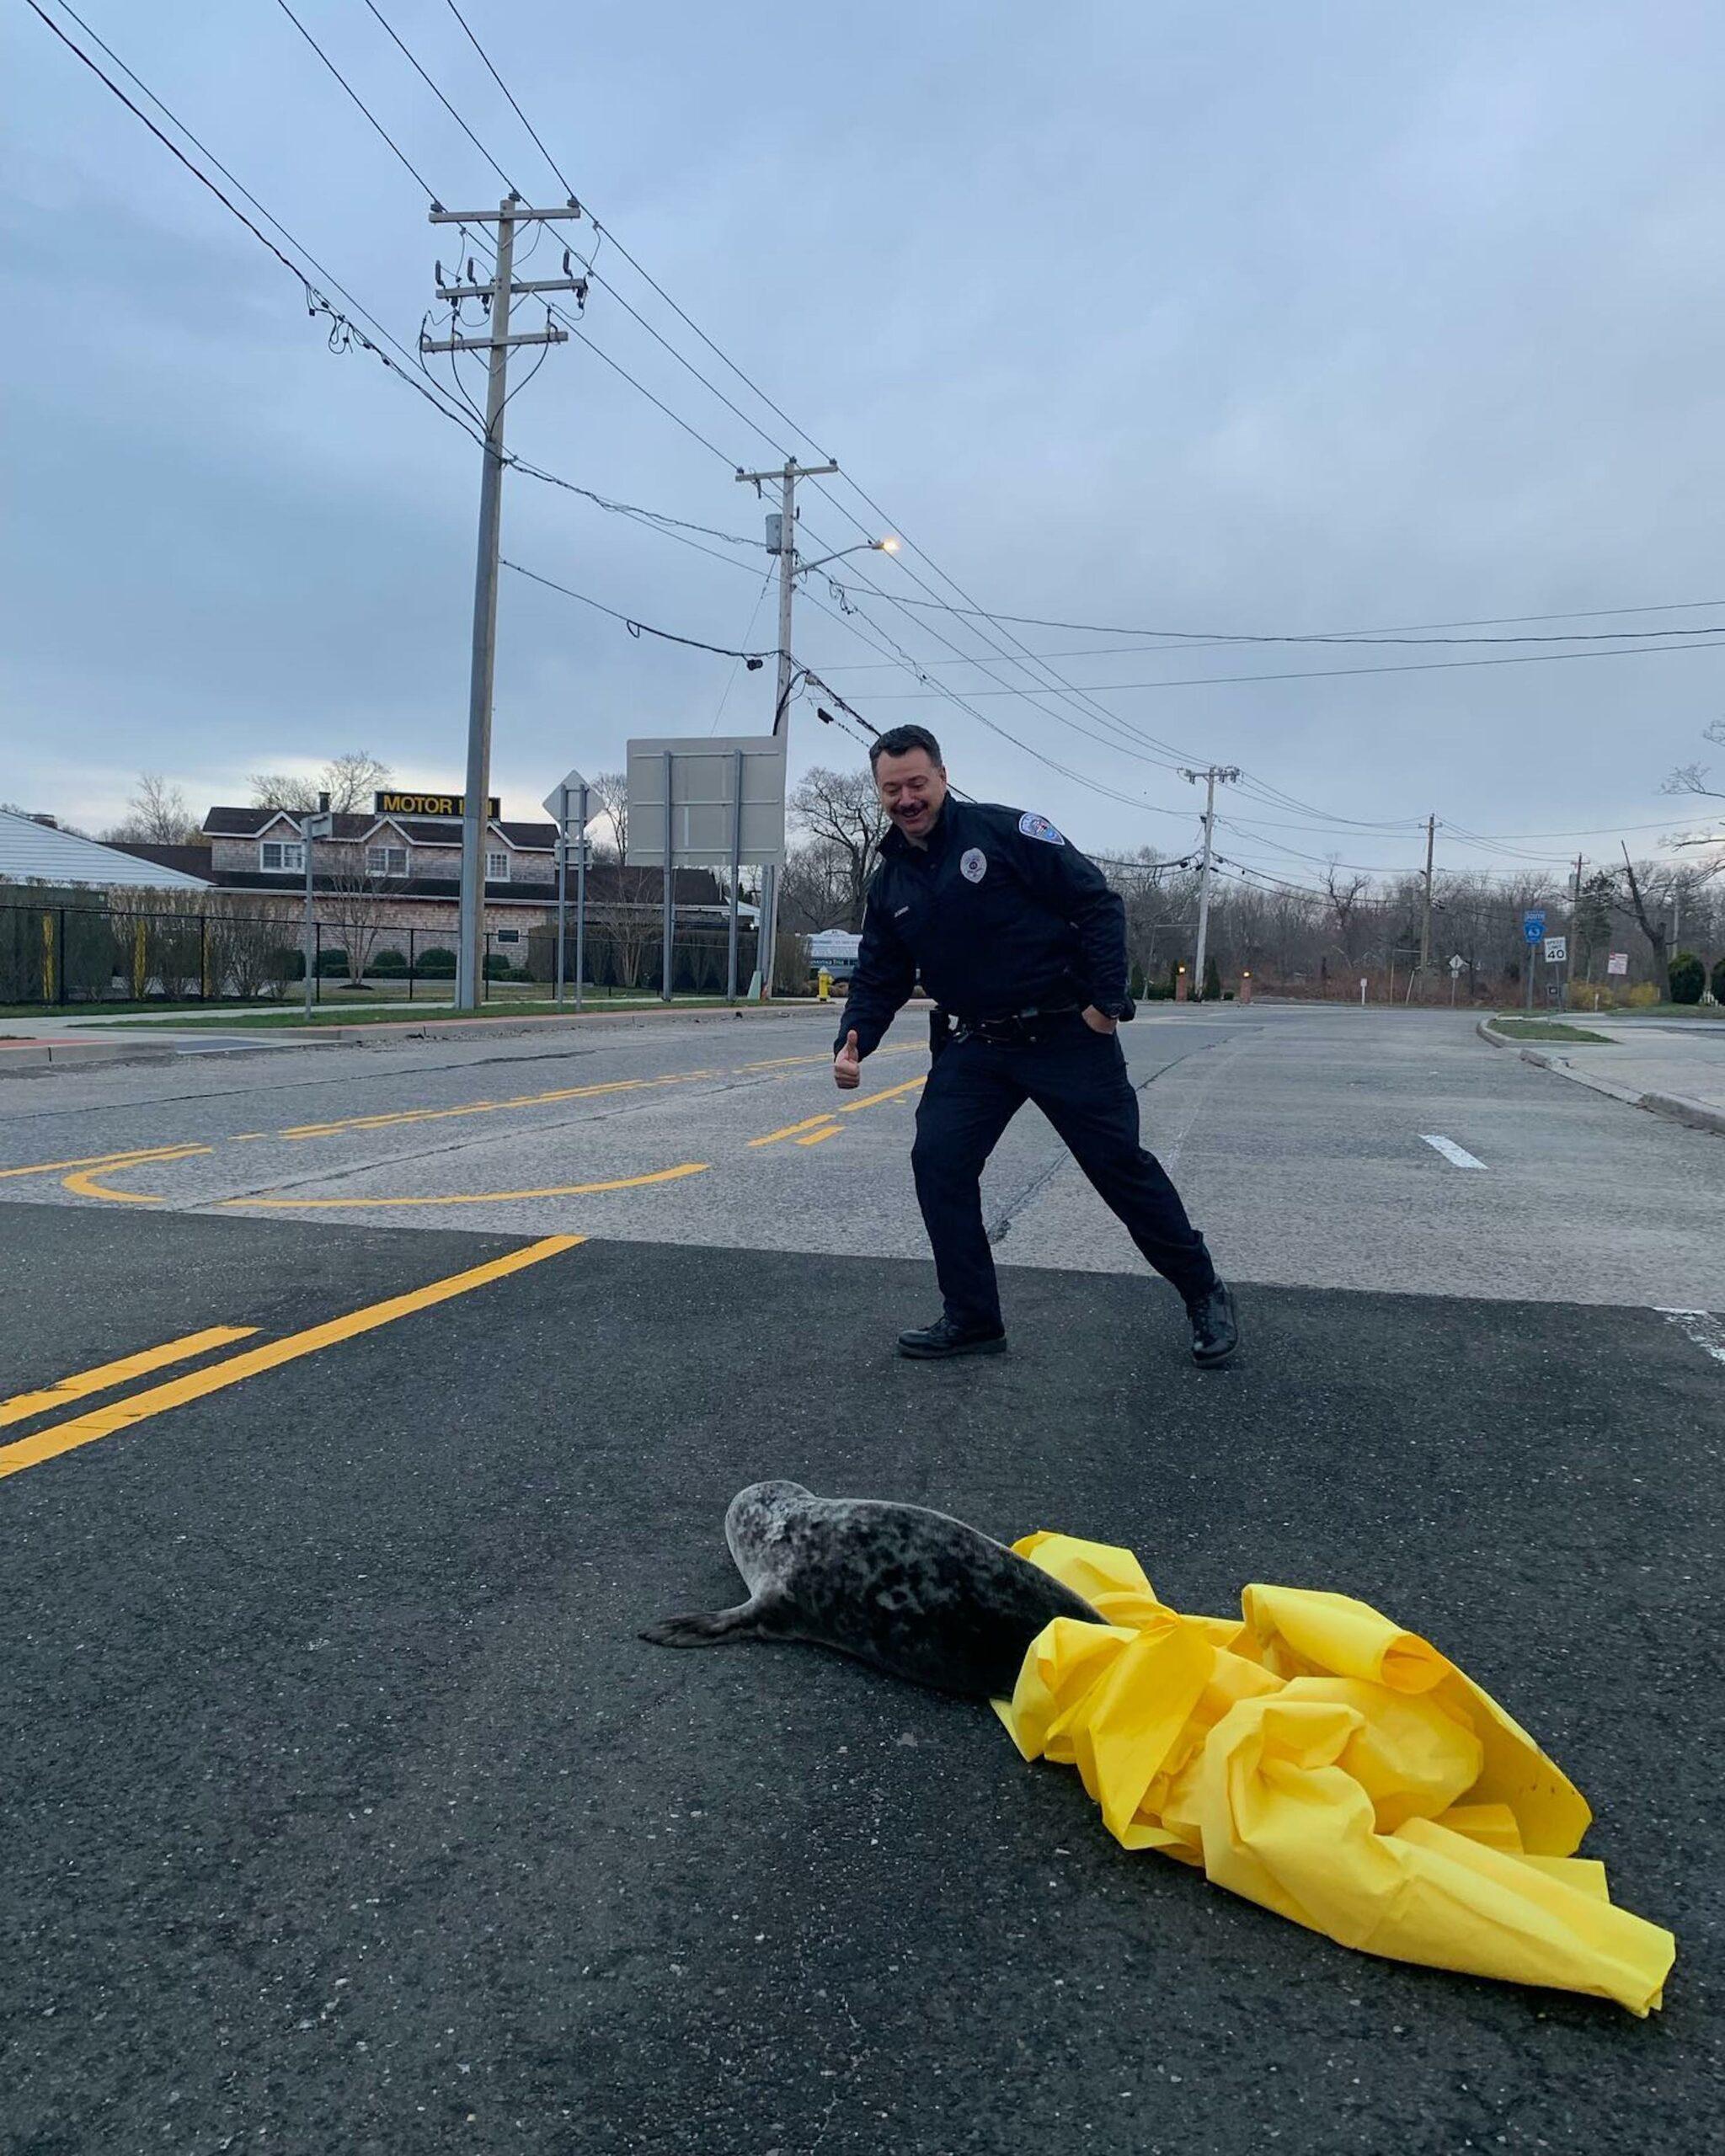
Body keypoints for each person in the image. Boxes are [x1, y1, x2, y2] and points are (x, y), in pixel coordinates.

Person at [832, 724, 1237, 1367]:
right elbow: (881, 973)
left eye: (917, 783)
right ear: (879, 793)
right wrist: (855, 1040)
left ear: (942, 776)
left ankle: (1203, 1290)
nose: (906, 798)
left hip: (1065, 1035)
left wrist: (1106, 1007)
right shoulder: (890, 885)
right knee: (939, 1163)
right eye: (892, 789)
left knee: (1120, 1172)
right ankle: (972, 1319)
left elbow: (1099, 904)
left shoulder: (1006, 833)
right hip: (977, 1045)